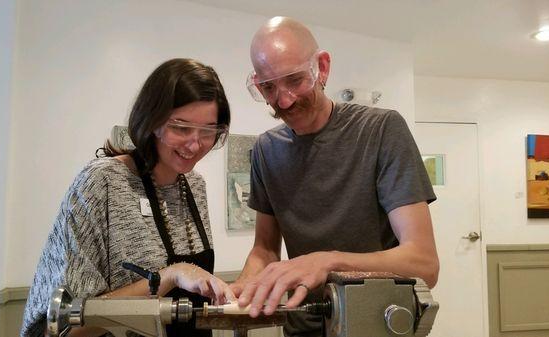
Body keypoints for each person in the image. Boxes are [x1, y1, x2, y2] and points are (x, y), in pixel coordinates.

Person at [230, 17, 440, 336]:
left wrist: (328, 262)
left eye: (295, 80)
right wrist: (245, 287)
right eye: (269, 87)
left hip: (376, 324)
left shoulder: (381, 131)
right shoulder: (265, 150)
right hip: (303, 326)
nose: (283, 100)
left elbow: (424, 263)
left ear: (322, 67)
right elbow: (265, 249)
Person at [21, 58, 234, 337]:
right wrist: (171, 275)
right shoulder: (102, 182)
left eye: (208, 131)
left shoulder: (194, 185)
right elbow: (67, 328)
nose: (195, 144)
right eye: (181, 128)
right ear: (152, 120)